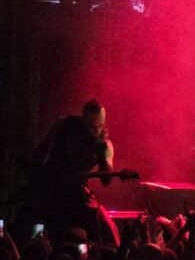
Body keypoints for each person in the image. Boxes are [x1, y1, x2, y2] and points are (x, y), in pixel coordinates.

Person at [15, 99, 120, 245]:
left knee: (108, 233)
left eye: (100, 126)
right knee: (27, 230)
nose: (96, 132)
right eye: (92, 127)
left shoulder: (105, 144)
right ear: (84, 121)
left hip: (77, 192)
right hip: (51, 188)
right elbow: (39, 156)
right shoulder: (65, 128)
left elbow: (106, 180)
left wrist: (101, 150)